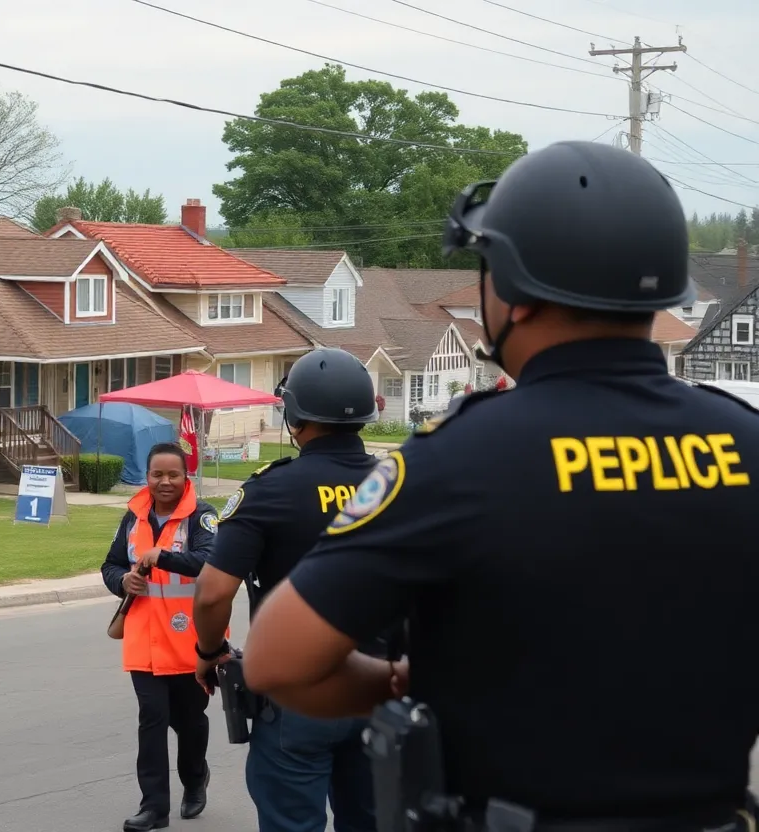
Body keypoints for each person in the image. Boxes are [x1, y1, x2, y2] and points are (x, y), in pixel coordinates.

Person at [241, 141, 759, 828]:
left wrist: (395, 681)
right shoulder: (746, 442)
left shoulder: (460, 459)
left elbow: (279, 660)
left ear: (513, 290)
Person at [192, 347, 385, 832]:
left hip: (299, 697)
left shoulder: (269, 490)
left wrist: (209, 650)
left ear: (293, 415)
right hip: (381, 692)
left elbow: (214, 593)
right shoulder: (401, 482)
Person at [101, 443, 219, 832]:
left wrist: (160, 556)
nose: (164, 482)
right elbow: (112, 564)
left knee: (189, 721)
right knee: (152, 719)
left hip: (191, 643)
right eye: (157, 474)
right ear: (146, 476)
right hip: (144, 639)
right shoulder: (133, 516)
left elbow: (209, 561)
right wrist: (123, 580)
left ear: (186, 477)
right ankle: (154, 807)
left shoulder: (202, 516)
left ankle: (195, 776)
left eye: (173, 474)